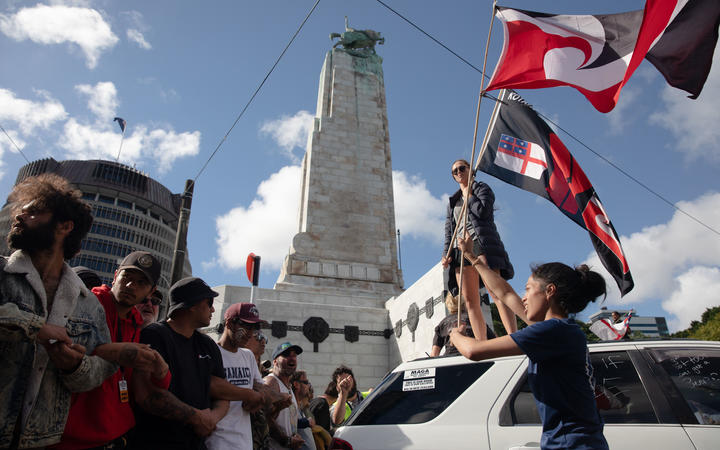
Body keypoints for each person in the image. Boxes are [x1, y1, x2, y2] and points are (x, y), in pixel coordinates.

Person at [450, 235, 609, 450]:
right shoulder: (560, 330)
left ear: (549, 291)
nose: (523, 298)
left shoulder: (552, 331)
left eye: (528, 289)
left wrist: (455, 335)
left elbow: (473, 351)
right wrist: (470, 256)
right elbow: (504, 293)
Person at [0, 174, 116, 449]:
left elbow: (104, 366)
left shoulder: (88, 302)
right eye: (21, 210)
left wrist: (75, 366)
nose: (20, 216)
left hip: (41, 440)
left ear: (65, 226)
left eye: (34, 212)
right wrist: (35, 326)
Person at [54, 251, 170, 450]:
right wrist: (121, 351)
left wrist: (162, 373)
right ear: (116, 276)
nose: (131, 286)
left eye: (141, 282)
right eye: (127, 277)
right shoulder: (88, 303)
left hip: (116, 436)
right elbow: (67, 352)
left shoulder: (135, 321)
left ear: (151, 291)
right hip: (72, 438)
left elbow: (140, 382)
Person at [132, 277, 263, 450]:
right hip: (156, 441)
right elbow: (148, 395)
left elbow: (222, 395)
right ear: (192, 304)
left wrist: (211, 418)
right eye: (209, 303)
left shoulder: (207, 345)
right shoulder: (154, 336)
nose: (213, 309)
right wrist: (196, 417)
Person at [441, 159, 516, 340]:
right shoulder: (453, 201)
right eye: (454, 171)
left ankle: (514, 336)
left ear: (470, 170)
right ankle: (482, 343)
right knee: (470, 301)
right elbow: (449, 230)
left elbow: (482, 212)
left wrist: (469, 194)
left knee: (496, 292)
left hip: (480, 243)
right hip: (460, 248)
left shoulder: (482, 189)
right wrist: (446, 254)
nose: (458, 172)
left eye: (461, 168)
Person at [207, 303, 287, 450]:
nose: (251, 333)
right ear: (230, 323)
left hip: (245, 442)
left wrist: (270, 397)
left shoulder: (248, 356)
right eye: (247, 326)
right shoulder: (212, 353)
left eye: (255, 328)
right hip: (217, 441)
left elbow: (260, 389)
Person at [265, 342, 305, 450]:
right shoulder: (271, 382)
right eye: (286, 355)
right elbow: (265, 419)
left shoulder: (288, 387)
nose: (292, 358)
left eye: (294, 355)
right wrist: (286, 441)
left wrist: (294, 437)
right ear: (275, 362)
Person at [430, 292, 496, 357]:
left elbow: (434, 354)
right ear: (466, 302)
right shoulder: (475, 319)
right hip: (476, 357)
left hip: (450, 360)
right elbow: (494, 342)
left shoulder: (442, 323)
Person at [290, 371, 316, 450]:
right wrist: (305, 422)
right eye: (306, 382)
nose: (308, 386)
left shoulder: (300, 408)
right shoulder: (291, 406)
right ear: (296, 384)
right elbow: (287, 425)